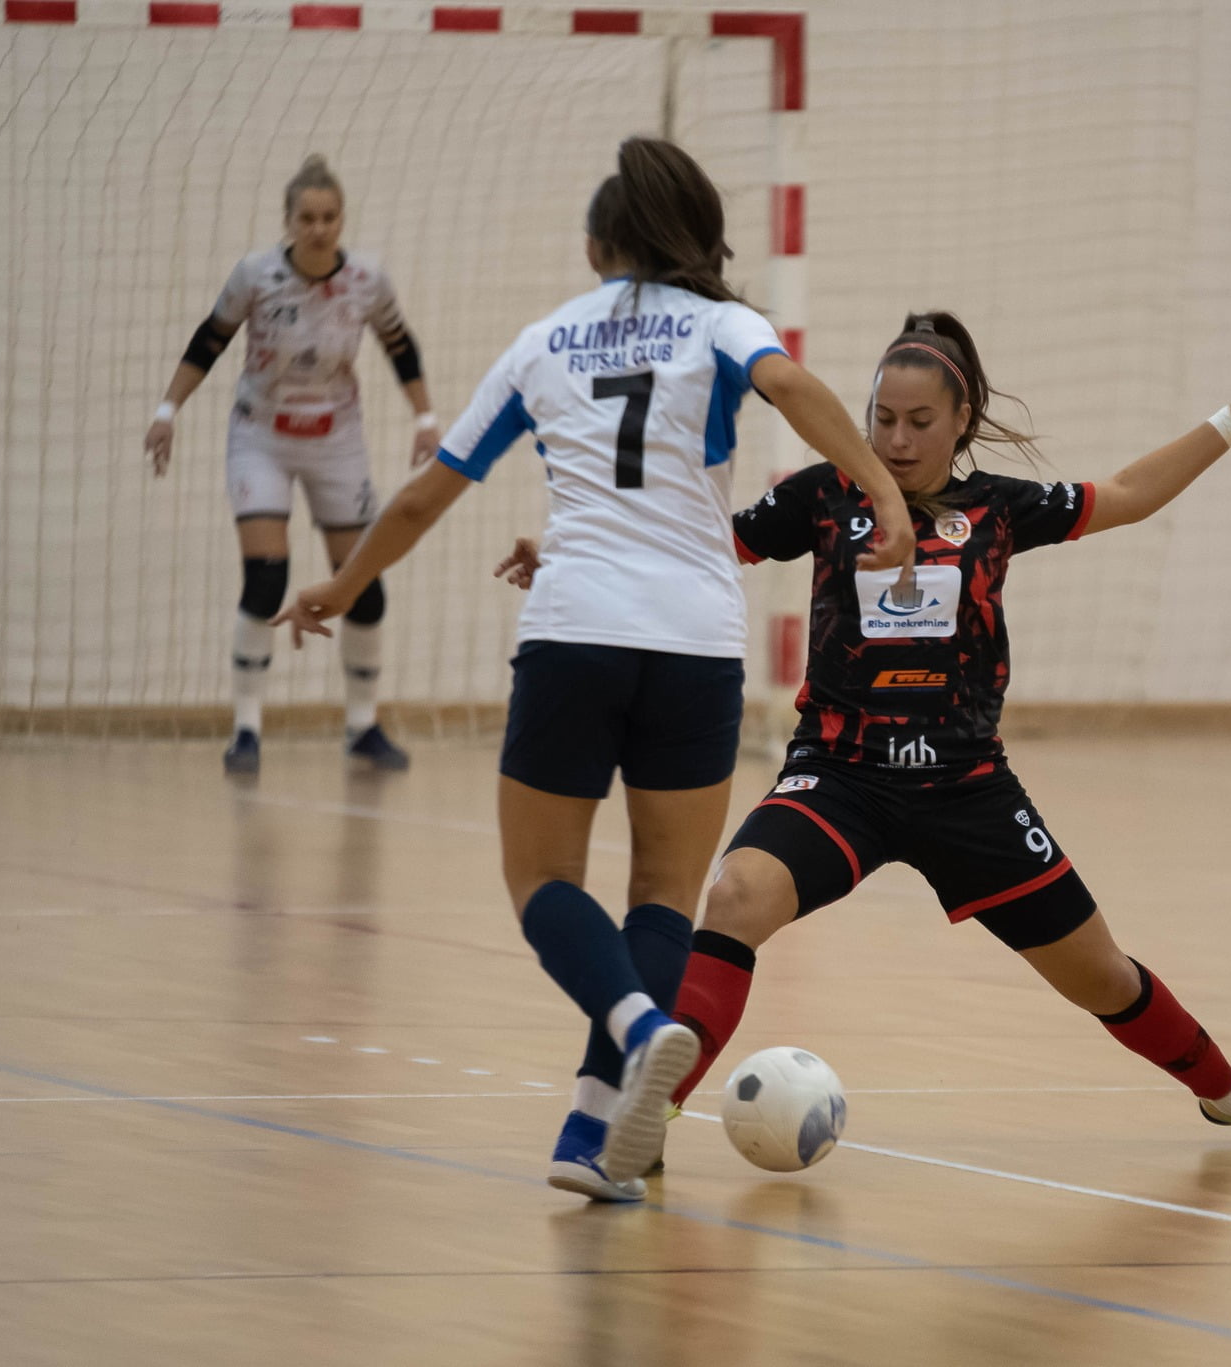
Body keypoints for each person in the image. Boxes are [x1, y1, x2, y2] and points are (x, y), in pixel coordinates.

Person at [274, 138, 914, 1201]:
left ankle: (633, 1030)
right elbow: (791, 382)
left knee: (540, 883)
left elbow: (434, 489)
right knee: (664, 893)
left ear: (595, 244)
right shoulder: (720, 324)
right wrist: (881, 496)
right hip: (697, 641)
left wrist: (341, 587)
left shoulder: (544, 341)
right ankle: (589, 1131)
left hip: (574, 630)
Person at [659, 312, 1231, 1147]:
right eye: (883, 417)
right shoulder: (822, 496)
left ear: (962, 421)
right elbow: (701, 545)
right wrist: (562, 555)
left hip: (967, 792)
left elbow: (1127, 496)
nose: (897, 438)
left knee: (1103, 976)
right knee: (735, 896)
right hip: (839, 778)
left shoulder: (997, 508)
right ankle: (646, 1114)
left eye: (920, 422)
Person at [145, 154, 434, 775]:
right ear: (289, 221)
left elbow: (399, 344)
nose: (319, 228)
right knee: (268, 574)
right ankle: (246, 730)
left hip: (337, 438)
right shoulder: (255, 275)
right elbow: (210, 339)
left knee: (362, 582)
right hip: (262, 436)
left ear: (341, 220)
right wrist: (168, 409)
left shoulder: (366, 280)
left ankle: (362, 726)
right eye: (307, 217)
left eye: (330, 217)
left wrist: (425, 419)